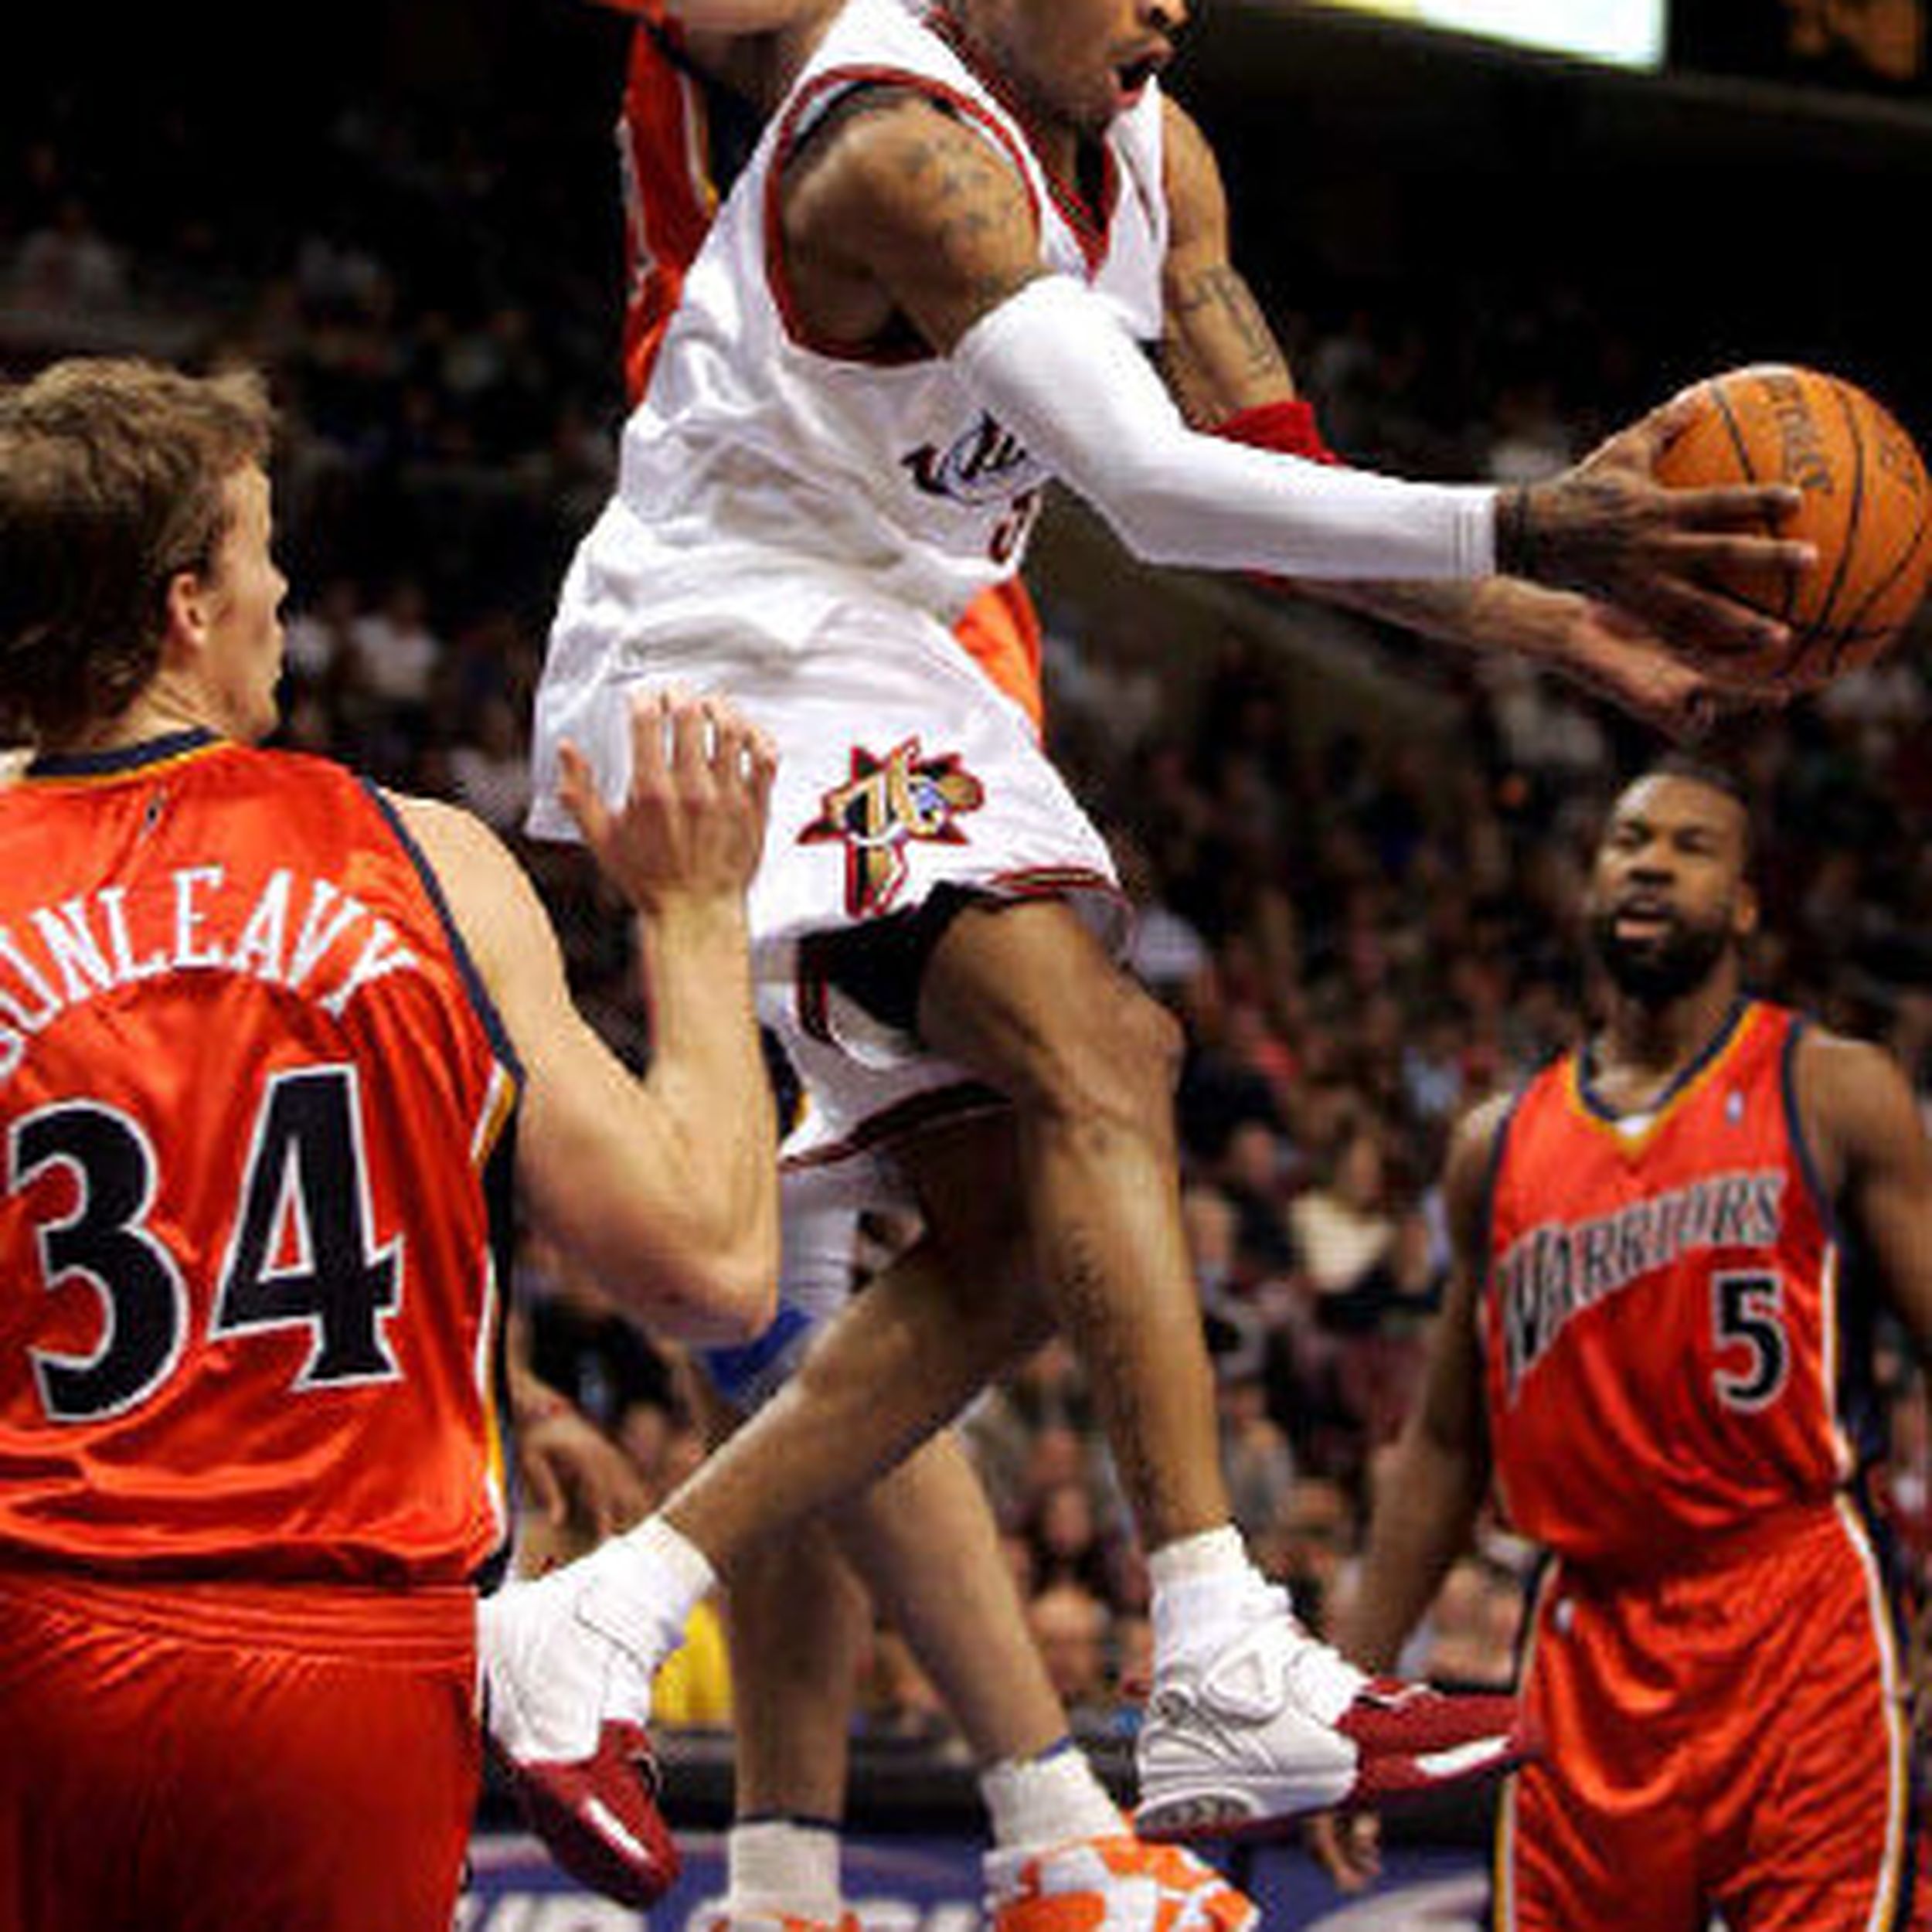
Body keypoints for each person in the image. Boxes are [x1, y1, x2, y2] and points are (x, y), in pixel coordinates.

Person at [485, 0, 1816, 1886]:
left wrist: (1547, 622)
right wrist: (1539, 519)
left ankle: (599, 1617)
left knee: (1028, 1233)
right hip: (725, 645)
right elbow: (1150, 487)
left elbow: (1267, 470)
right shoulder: (899, 145)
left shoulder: (1159, 156)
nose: (1169, 9)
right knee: (1105, 1057)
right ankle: (1204, 1641)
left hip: (894, 653)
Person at [594, 8, 1262, 1925]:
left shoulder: (927, 99)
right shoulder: (814, 83)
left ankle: (923, 1840)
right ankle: (917, 1843)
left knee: (798, 1286)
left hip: (864, 613)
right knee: (789, 1286)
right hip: (781, 595)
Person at [0, 355, 781, 1931]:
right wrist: (694, 919)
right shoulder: (423, 860)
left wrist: (501, 1380)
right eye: (261, 549)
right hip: (341, 1659)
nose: (286, 588)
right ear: (186, 608)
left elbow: (154, 1182)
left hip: (38, 1638)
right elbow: (709, 1263)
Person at [1325, 757, 1932, 1926]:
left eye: (1691, 846)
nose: (1651, 860)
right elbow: (1448, 1444)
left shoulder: (1835, 1090)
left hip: (1795, 1609)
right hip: (1589, 1635)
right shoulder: (1496, 1146)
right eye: (1627, 840)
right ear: (1590, 881)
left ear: (1747, 903)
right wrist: (1351, 1708)